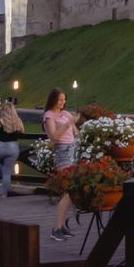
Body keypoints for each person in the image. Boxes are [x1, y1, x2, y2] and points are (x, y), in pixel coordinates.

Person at [42, 87, 80, 240]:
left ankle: (61, 226)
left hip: (72, 151)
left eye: (64, 100)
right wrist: (68, 123)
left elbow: (76, 132)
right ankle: (57, 229)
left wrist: (75, 126)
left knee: (68, 193)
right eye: (60, 100)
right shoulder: (49, 116)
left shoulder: (65, 114)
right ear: (53, 100)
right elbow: (54, 137)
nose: (63, 103)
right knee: (69, 192)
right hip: (62, 152)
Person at [0, 101, 24, 197]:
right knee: (7, 172)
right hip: (13, 148)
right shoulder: (18, 121)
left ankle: (4, 177)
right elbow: (23, 131)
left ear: (3, 111)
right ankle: (4, 195)